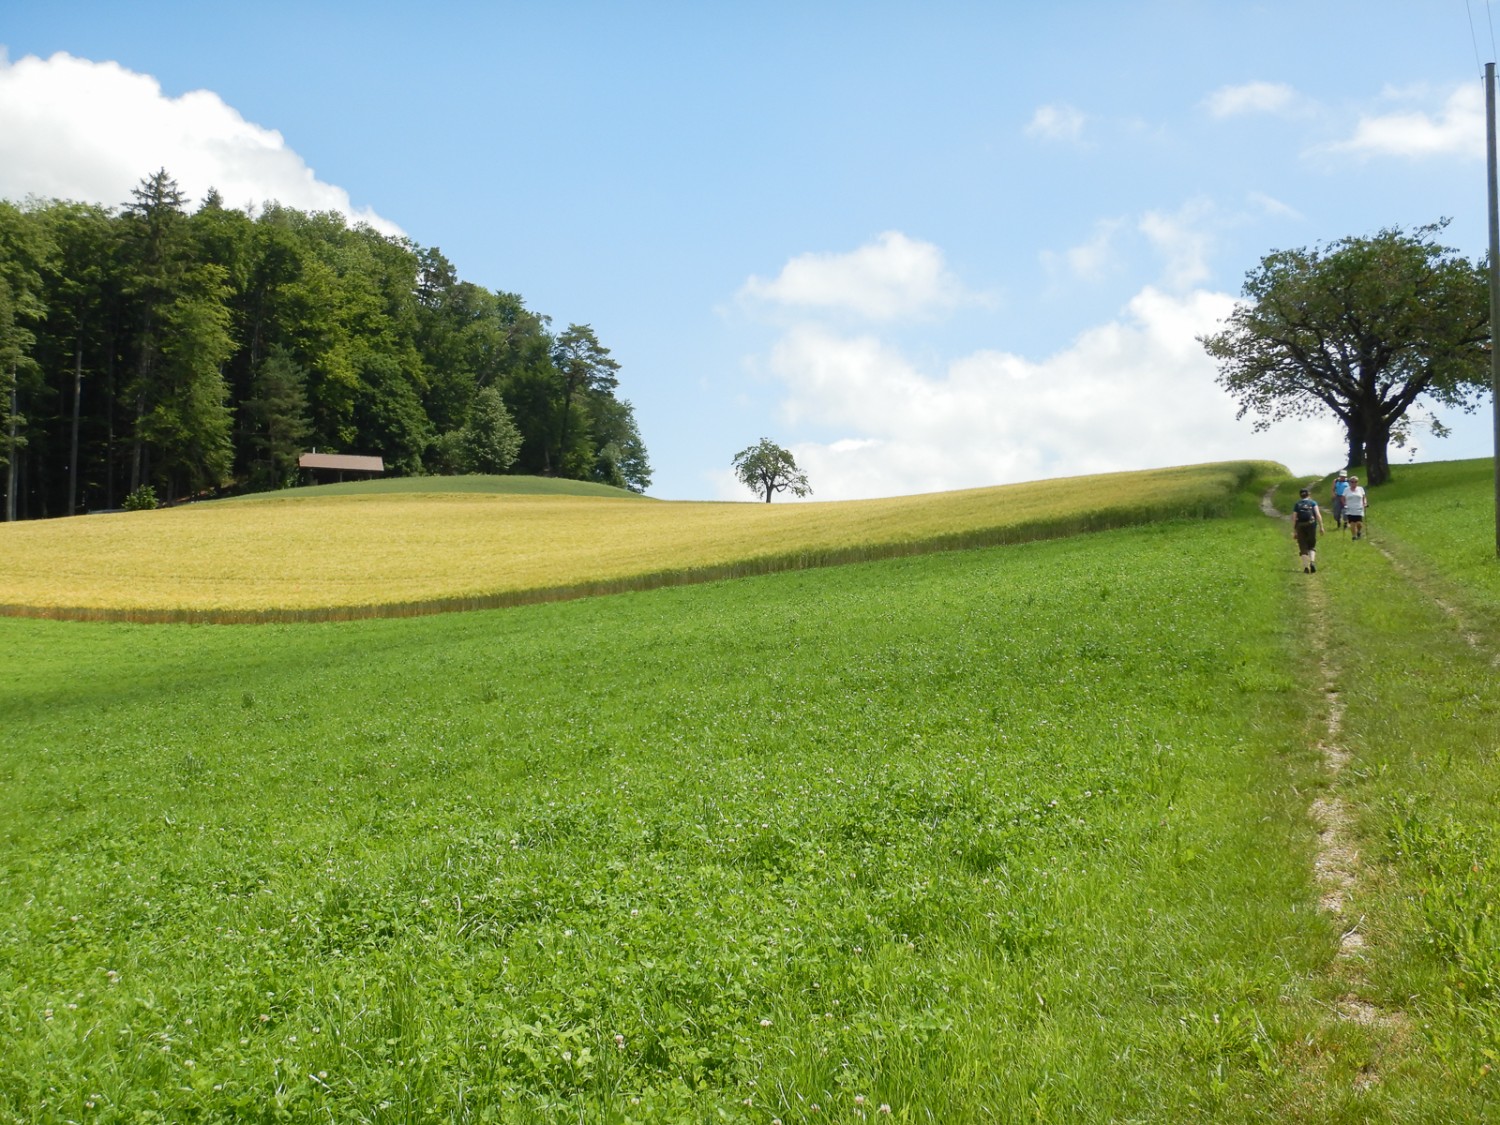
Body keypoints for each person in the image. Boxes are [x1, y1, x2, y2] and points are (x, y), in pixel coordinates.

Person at [1292, 487, 1325, 573]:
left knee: (1302, 546)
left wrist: (1295, 531)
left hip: (1300, 525)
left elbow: (1294, 518)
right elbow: (1317, 515)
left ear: (1300, 495)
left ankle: (1306, 567)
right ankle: (1312, 562)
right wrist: (1321, 526)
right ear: (1309, 494)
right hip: (1311, 525)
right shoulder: (1313, 503)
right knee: (1311, 546)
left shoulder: (1297, 504)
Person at [1343, 475, 1368, 539]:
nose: (1354, 483)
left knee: (1359, 523)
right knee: (1352, 523)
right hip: (1350, 509)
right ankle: (1354, 536)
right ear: (1349, 482)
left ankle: (1359, 531)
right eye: (1352, 482)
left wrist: (1365, 503)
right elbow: (1343, 498)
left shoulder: (1360, 489)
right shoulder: (1346, 490)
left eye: (1355, 482)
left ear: (1357, 482)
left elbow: (1364, 497)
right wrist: (1344, 504)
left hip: (1359, 508)